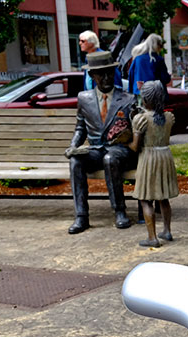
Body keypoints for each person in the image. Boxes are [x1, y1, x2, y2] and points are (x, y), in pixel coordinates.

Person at [64, 51, 138, 234]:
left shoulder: (128, 99)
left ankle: (120, 211)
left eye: (110, 73)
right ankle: (81, 216)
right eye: (101, 74)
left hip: (120, 150)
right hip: (96, 149)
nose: (106, 78)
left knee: (110, 158)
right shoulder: (84, 98)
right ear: (92, 75)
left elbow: (136, 128)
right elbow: (80, 128)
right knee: (76, 161)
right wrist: (73, 146)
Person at [129, 81, 179, 247]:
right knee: (163, 197)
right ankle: (167, 230)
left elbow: (135, 147)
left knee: (146, 200)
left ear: (145, 99)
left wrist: (124, 142)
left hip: (148, 158)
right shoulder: (168, 118)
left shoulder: (140, 119)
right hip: (165, 156)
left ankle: (152, 237)